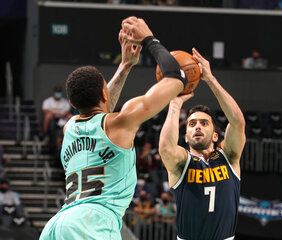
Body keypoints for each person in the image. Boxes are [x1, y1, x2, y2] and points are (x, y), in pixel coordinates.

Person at [40, 16, 188, 240]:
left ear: (72, 104)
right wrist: (149, 39)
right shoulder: (121, 122)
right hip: (92, 222)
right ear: (103, 94)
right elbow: (177, 79)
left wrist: (125, 65)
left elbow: (101, 104)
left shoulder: (69, 128)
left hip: (57, 225)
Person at [159, 48, 245, 240]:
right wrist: (174, 104)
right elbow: (165, 148)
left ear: (215, 136)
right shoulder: (182, 163)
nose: (197, 126)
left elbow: (238, 122)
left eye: (204, 123)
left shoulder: (228, 156)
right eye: (192, 124)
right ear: (186, 136)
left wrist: (211, 80)